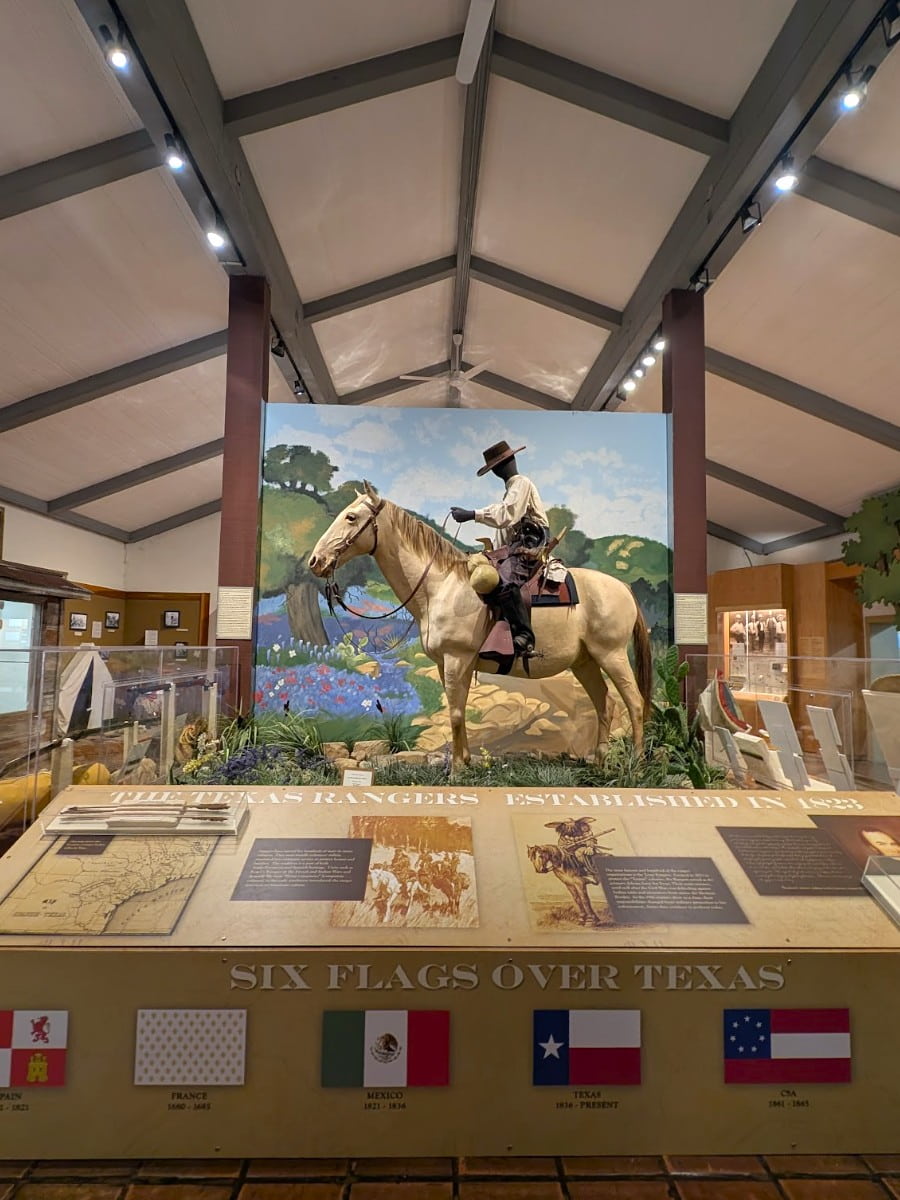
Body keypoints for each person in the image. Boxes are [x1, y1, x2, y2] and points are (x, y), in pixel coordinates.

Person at [451, 440, 551, 657]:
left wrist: (472, 514)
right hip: (518, 543)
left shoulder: (521, 484)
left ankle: (524, 637)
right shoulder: (513, 489)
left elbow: (507, 514)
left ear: (498, 469)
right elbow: (505, 529)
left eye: (499, 465)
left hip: (530, 540)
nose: (500, 469)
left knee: (504, 582)